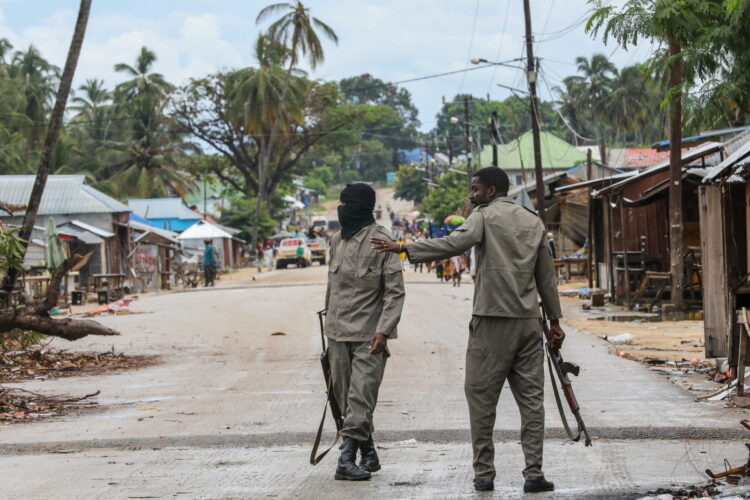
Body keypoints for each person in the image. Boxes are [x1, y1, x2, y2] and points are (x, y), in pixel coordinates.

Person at [370, 167, 565, 494]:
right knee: (532, 403)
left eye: (475, 189)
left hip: (491, 321)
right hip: (530, 323)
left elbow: (454, 243)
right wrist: (555, 321)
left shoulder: (483, 216)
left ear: (491, 191)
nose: (471, 195)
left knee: (481, 398)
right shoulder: (533, 222)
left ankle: (484, 474)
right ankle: (534, 474)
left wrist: (405, 249)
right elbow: (546, 278)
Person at [325, 183, 405, 481]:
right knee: (346, 400)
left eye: (348, 203)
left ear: (363, 207)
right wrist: (327, 334)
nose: (342, 208)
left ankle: (345, 460)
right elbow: (331, 290)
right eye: (341, 202)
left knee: (361, 398)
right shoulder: (336, 241)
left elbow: (395, 293)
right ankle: (368, 453)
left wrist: (384, 331)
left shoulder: (383, 241)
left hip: (369, 337)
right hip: (336, 335)